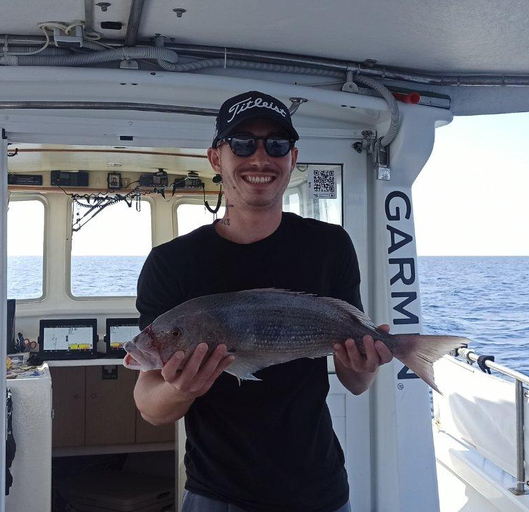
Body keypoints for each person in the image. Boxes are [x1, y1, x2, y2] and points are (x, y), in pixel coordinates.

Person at [133, 90, 393, 512]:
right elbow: (150, 407)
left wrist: (363, 366)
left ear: (292, 158)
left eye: (276, 145)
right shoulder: (171, 263)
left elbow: (356, 383)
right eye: (241, 143)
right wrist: (182, 389)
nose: (260, 158)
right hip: (216, 493)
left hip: (319, 488)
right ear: (216, 158)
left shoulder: (329, 245)